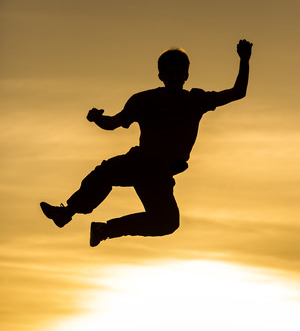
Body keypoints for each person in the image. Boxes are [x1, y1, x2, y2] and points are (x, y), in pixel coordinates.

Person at [40, 39, 253, 247]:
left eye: (179, 73)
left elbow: (237, 92)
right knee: (104, 172)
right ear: (160, 75)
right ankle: (66, 213)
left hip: (160, 174)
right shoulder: (143, 101)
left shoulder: (195, 100)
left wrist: (244, 60)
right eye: (169, 74)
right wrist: (97, 119)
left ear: (187, 75)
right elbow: (114, 123)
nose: (174, 78)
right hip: (140, 162)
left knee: (167, 222)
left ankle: (104, 230)